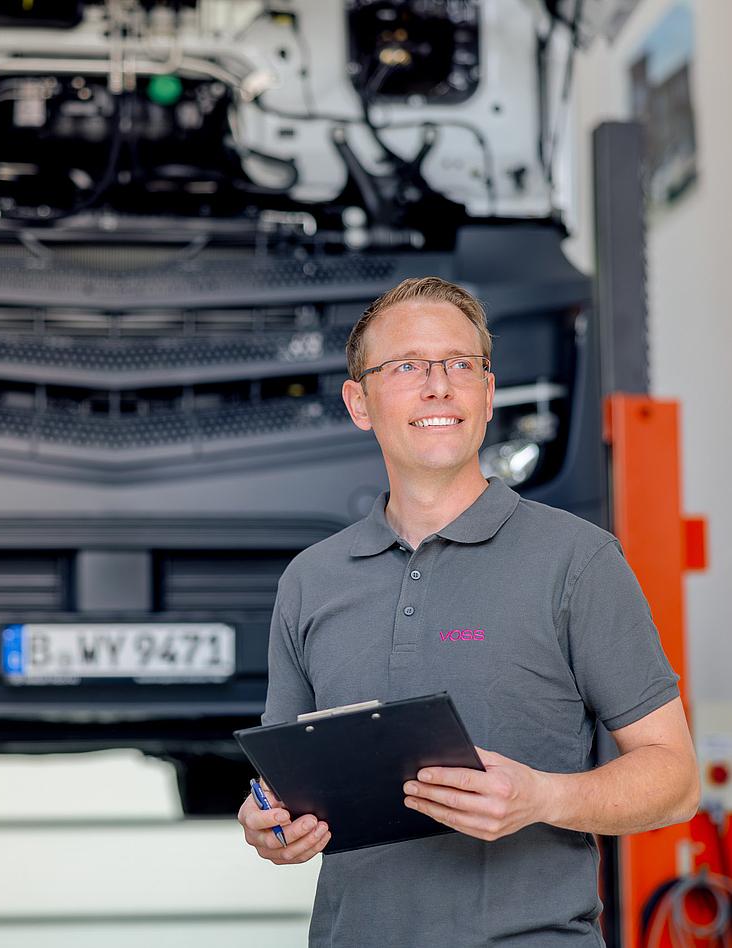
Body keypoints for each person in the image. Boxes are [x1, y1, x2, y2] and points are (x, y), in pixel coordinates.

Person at [237, 277, 699, 946]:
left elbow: (677, 780)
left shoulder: (577, 560)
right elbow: (281, 785)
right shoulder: (310, 582)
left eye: (460, 364)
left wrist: (546, 797)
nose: (438, 386)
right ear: (358, 402)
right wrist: (267, 822)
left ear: (487, 393)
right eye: (407, 367)